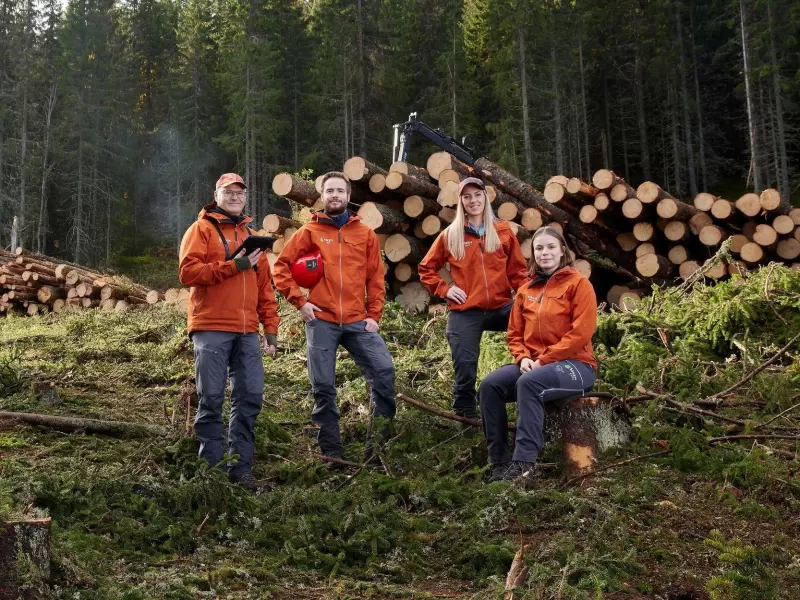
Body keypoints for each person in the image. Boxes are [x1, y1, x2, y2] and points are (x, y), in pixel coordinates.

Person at [272, 171, 395, 466]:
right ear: (323, 197)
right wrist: (300, 303)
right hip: (321, 319)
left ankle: (376, 451)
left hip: (357, 320)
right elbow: (280, 268)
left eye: (340, 191)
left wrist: (374, 315)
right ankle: (332, 455)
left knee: (384, 373)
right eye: (330, 191)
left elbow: (376, 277)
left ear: (349, 197)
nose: (336, 195)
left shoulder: (364, 234)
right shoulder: (309, 232)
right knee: (324, 387)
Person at [179, 172, 279, 491]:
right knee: (210, 398)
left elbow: (265, 289)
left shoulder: (253, 236)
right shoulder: (201, 230)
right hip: (210, 327)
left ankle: (240, 469)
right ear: (216, 195)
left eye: (240, 192)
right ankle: (212, 471)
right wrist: (233, 266)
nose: (235, 197)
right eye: (228, 192)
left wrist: (271, 329)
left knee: (249, 396)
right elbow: (187, 272)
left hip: (248, 331)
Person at [478, 226, 598, 484]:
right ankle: (499, 462)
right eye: (539, 248)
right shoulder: (526, 290)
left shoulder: (579, 284)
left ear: (562, 251)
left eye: (551, 247)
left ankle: (523, 465)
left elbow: (581, 333)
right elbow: (514, 334)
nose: (545, 252)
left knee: (529, 383)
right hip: (533, 363)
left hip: (576, 366)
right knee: (490, 386)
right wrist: (522, 358)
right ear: (533, 254)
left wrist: (543, 360)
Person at [418, 177, 528, 421]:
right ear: (461, 202)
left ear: (485, 197)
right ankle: (466, 416)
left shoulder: (502, 231)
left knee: (535, 323)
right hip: (466, 310)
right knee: (465, 365)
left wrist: (527, 299)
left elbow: (518, 272)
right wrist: (445, 290)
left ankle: (534, 384)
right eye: (467, 197)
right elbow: (426, 268)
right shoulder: (451, 235)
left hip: (502, 307)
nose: (473, 200)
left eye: (477, 195)